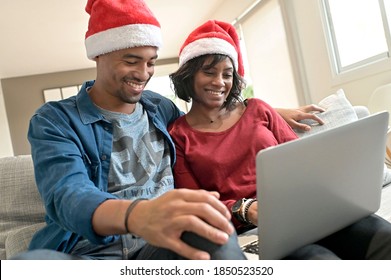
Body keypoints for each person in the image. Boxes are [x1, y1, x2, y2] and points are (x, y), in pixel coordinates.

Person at [13, 0, 246, 261]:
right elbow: (67, 195)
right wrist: (136, 215)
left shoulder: (160, 108)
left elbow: (204, 126)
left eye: (150, 63)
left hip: (161, 247)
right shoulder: (55, 119)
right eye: (132, 61)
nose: (143, 73)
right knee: (26, 264)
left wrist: (252, 111)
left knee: (215, 230)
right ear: (99, 54)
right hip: (89, 254)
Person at [168, 19, 391, 259]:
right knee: (319, 261)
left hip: (306, 207)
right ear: (188, 76)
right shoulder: (178, 136)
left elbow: (299, 157)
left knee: (383, 237)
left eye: (227, 74)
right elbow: (195, 204)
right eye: (209, 72)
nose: (219, 82)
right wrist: (244, 208)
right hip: (256, 226)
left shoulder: (258, 109)